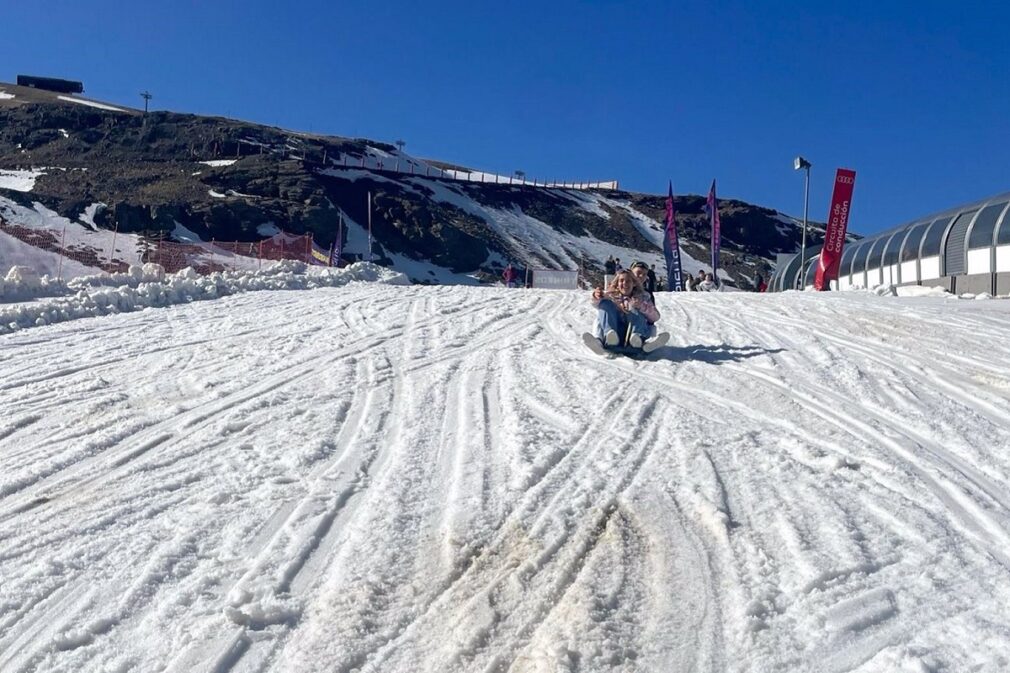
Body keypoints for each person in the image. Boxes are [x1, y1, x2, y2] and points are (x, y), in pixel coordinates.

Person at [588, 269, 660, 351]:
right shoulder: (610, 295)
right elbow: (595, 304)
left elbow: (655, 317)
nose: (625, 283)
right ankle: (607, 336)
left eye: (628, 281)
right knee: (604, 304)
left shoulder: (642, 297)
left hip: (633, 334)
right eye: (621, 281)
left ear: (634, 284)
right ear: (617, 284)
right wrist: (596, 296)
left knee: (635, 309)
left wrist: (642, 306)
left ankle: (639, 340)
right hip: (615, 332)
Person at [629, 262, 658, 338]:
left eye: (644, 274)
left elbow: (653, 315)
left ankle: (642, 337)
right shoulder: (622, 287)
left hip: (641, 326)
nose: (641, 276)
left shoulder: (647, 294)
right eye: (638, 272)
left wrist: (642, 307)